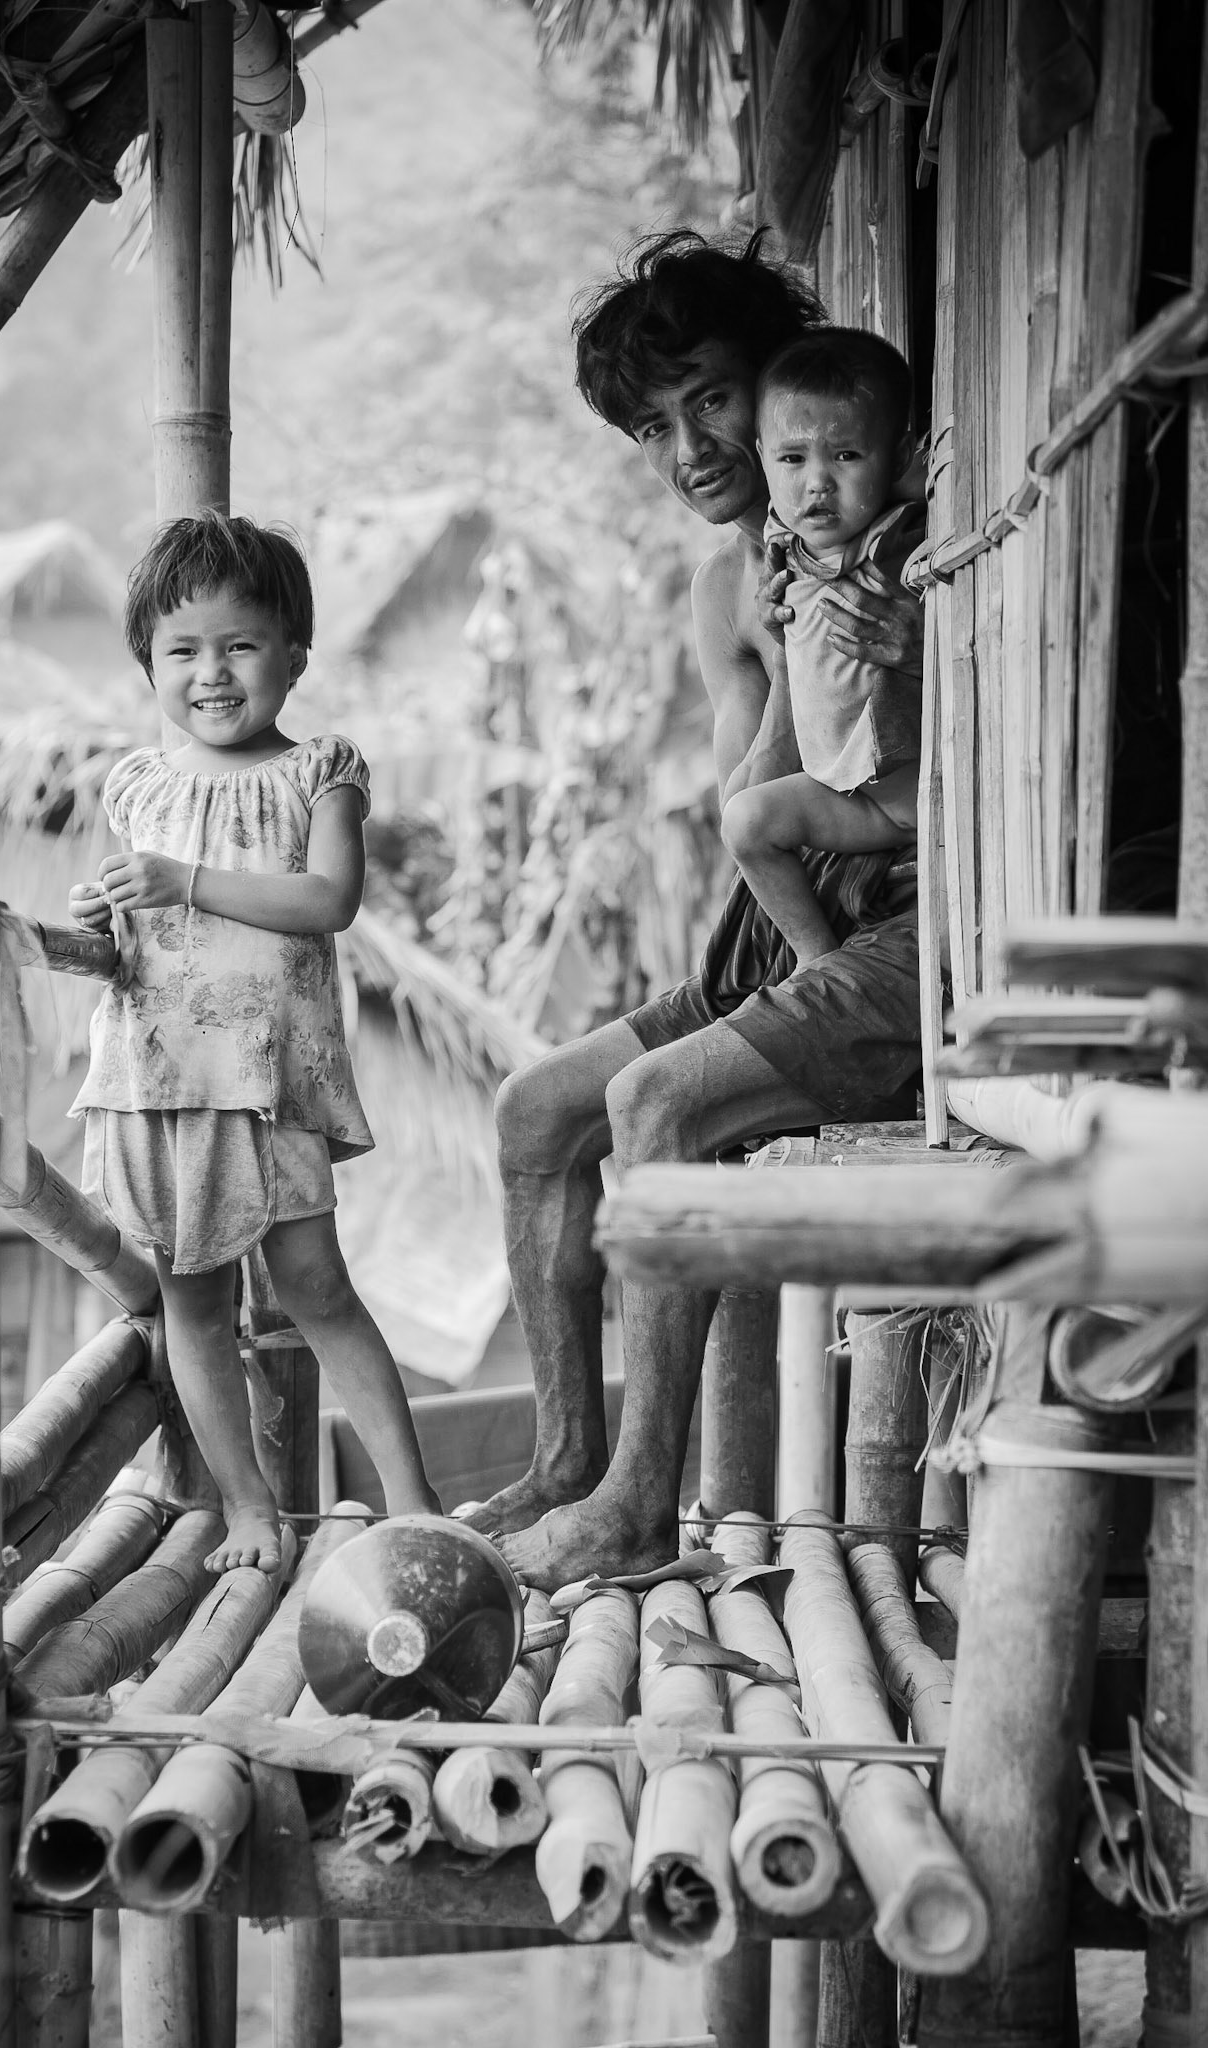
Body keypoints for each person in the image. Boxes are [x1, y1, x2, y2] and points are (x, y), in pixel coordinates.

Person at [460, 230, 925, 1591]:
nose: (691, 448)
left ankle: (635, 1506)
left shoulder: (888, 533)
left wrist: (801, 639)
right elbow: (749, 789)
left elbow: (847, 774)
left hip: (897, 922)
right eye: (655, 428)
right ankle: (563, 1458)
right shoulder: (724, 583)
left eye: (709, 399)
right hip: (773, 928)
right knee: (536, 1111)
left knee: (655, 1106)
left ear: (775, 377)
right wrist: (775, 648)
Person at [69, 511, 440, 1575]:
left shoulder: (319, 767)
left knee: (318, 1286)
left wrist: (179, 880)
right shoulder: (136, 784)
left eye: (239, 644)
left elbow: (328, 899)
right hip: (155, 1081)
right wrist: (104, 911)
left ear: (293, 655)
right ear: (149, 662)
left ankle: (413, 1499)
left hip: (268, 1086)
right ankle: (248, 1510)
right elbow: (137, 929)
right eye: (182, 650)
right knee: (194, 1296)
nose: (213, 671)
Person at [721, 328, 925, 964]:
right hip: (854, 801)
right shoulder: (782, 544)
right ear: (761, 455)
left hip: (928, 790)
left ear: (895, 457)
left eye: (845, 457)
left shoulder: (904, 539)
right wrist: (769, 614)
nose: (817, 483)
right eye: (792, 459)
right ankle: (815, 958)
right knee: (745, 821)